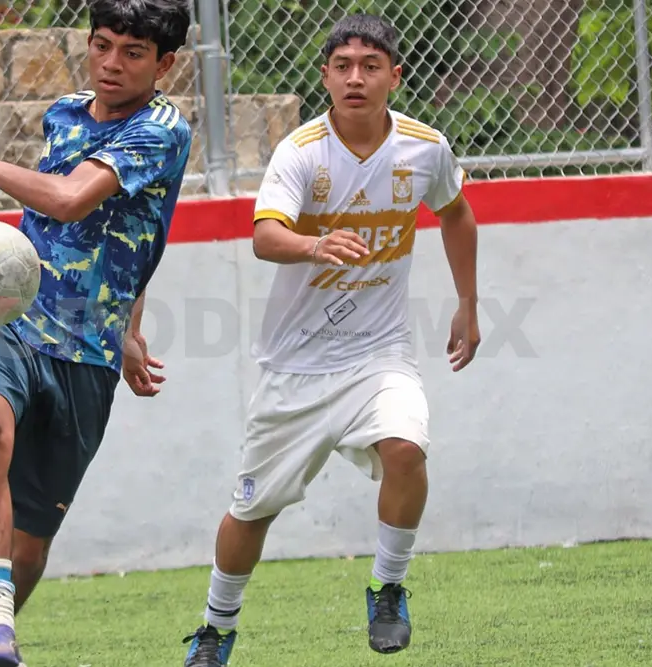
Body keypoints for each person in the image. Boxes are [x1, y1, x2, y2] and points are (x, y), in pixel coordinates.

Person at [168, 13, 481, 666]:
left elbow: (455, 212)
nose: (355, 77)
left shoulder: (424, 148)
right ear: (324, 77)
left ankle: (387, 585)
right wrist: (314, 243)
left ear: (395, 75)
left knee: (405, 448)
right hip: (296, 367)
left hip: (378, 352)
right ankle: (214, 628)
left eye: (370, 65)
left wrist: (467, 303)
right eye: (342, 66)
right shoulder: (301, 152)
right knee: (250, 512)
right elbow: (263, 236)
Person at [0, 1, 192, 665]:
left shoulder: (162, 128)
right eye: (101, 45)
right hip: (8, 315)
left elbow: (87, 208)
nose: (110, 63)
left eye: (132, 53)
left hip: (86, 349)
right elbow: (105, 230)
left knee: (31, 545)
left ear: (165, 64)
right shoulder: (64, 112)